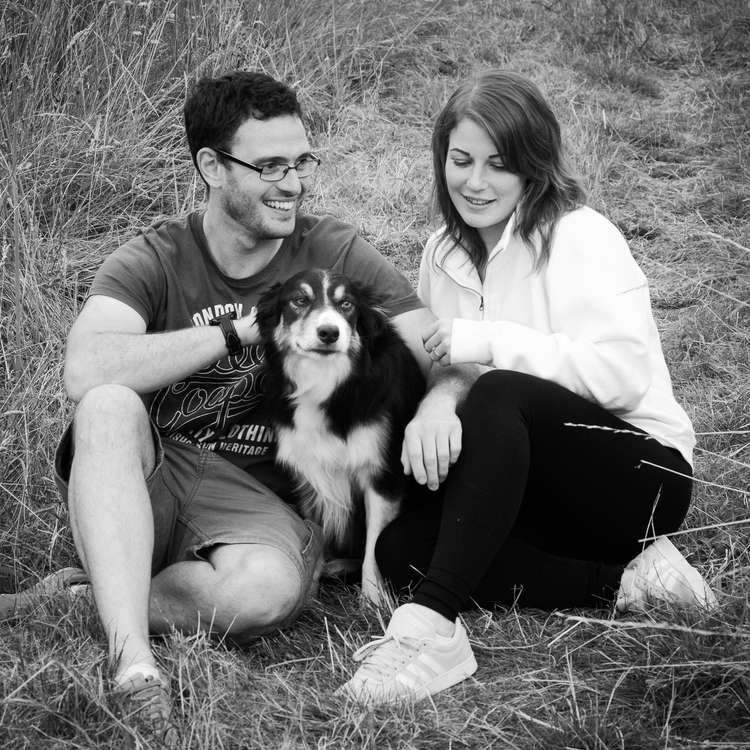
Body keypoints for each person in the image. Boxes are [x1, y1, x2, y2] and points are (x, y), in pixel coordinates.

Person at [32, 71, 465, 731]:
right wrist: (235, 331)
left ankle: (92, 596)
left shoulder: (332, 250)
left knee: (269, 593)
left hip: (255, 507)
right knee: (107, 405)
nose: (292, 183)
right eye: (269, 166)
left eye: (300, 162)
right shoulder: (154, 257)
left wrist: (443, 399)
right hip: (155, 473)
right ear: (211, 166)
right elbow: (85, 369)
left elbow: (434, 351)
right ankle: (133, 663)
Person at [339, 70, 717, 705]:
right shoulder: (442, 252)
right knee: (406, 549)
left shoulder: (579, 235)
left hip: (636, 476)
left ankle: (432, 629)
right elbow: (449, 364)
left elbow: (621, 378)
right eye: (460, 161)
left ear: (533, 167)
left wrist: (487, 344)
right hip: (531, 485)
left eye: (499, 164)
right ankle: (625, 580)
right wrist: (436, 398)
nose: (476, 182)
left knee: (500, 391)